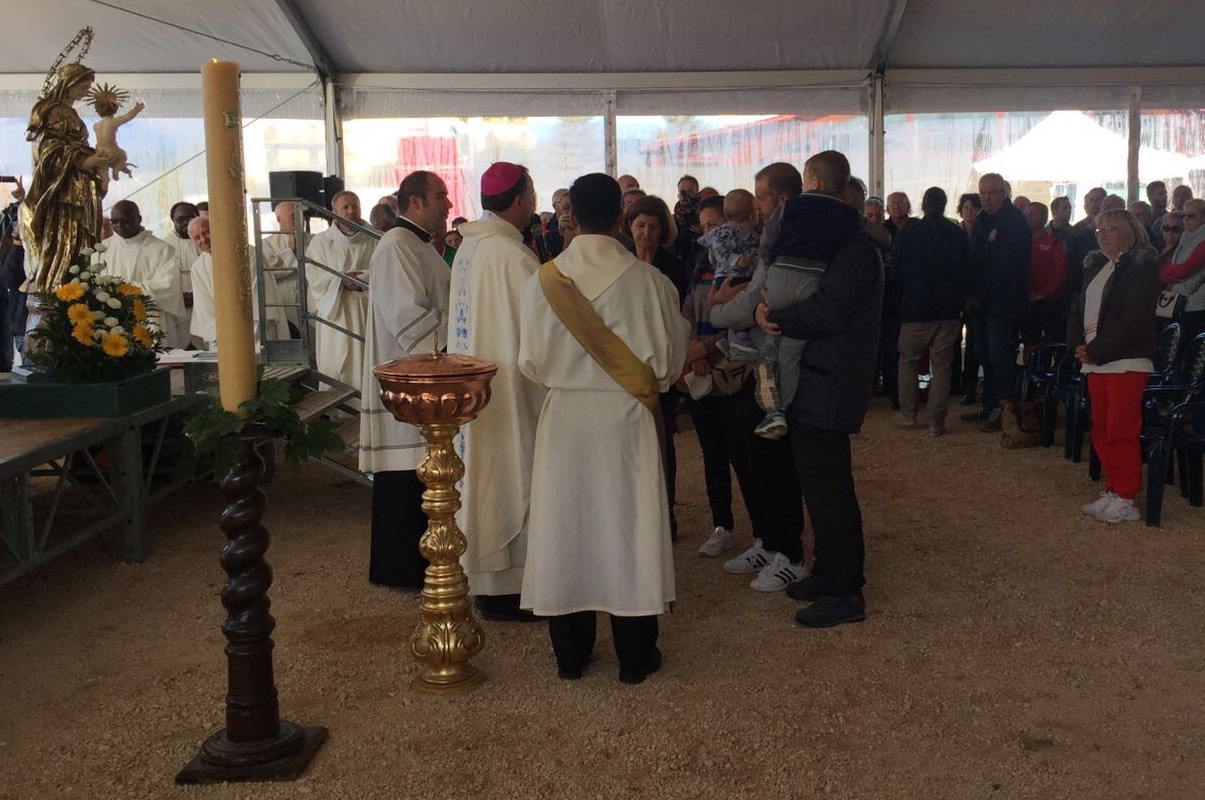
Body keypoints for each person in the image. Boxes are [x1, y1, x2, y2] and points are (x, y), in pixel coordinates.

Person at [518, 172, 688, 684]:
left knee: (566, 528)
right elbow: (668, 366)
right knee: (628, 527)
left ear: (570, 217)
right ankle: (635, 657)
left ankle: (570, 656)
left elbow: (529, 362)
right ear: (620, 217)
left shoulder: (541, 282)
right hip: (625, 418)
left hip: (565, 418)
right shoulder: (650, 283)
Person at [755, 151, 883, 628]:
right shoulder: (843, 245)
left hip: (831, 383)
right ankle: (829, 572)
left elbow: (828, 312)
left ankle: (846, 592)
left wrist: (777, 318)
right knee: (818, 483)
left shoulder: (856, 250)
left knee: (830, 489)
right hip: (818, 379)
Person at [447, 163, 546, 622]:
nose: (534, 201)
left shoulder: (468, 249)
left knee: (484, 478)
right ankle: (513, 589)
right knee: (513, 472)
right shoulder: (513, 256)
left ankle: (487, 584)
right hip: (511, 389)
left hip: (475, 391)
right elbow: (541, 328)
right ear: (520, 200)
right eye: (532, 193)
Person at [708, 162, 807, 593]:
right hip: (753, 367)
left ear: (781, 199)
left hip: (775, 371)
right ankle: (767, 541)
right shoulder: (772, 240)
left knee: (775, 465)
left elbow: (752, 302)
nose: (756, 207)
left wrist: (715, 310)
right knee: (753, 462)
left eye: (760, 198)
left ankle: (791, 554)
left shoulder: (788, 241)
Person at [358, 171, 451, 589]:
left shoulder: (418, 244)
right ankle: (402, 569)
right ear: (414, 202)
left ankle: (416, 563)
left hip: (422, 376)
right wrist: (459, 336)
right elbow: (408, 319)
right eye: (440, 196)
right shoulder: (397, 245)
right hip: (409, 377)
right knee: (404, 473)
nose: (448, 204)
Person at [1068, 210, 1161, 524]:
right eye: (1099, 230)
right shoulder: (1097, 266)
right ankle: (1113, 488)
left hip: (1126, 359)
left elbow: (1135, 319)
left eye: (1111, 229)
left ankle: (1127, 497)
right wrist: (1076, 345)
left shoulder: (1141, 267)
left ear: (1129, 232)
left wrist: (1096, 350)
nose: (1103, 235)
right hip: (1096, 360)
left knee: (1122, 429)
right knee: (1102, 428)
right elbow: (1078, 306)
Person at [22, 63, 111, 292]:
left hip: (81, 185)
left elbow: (78, 144)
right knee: (64, 236)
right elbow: (48, 148)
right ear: (68, 84)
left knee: (80, 240)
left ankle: (77, 286)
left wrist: (98, 163)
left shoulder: (71, 112)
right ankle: (58, 286)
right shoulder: (51, 110)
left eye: (88, 87)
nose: (85, 91)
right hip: (64, 189)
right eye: (82, 86)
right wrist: (84, 161)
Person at [891, 187, 969, 436]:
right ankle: (936, 422)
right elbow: (966, 270)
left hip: (916, 308)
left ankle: (908, 414)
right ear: (945, 205)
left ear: (923, 205)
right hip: (948, 310)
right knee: (942, 366)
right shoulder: (956, 233)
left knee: (908, 361)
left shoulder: (909, 232)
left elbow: (896, 271)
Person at [961, 172, 1030, 432]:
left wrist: (980, 294)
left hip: (1002, 302)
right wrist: (970, 293)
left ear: (1004, 193)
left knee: (998, 355)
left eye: (991, 193)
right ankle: (988, 405)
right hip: (980, 302)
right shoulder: (981, 219)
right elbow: (973, 259)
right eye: (982, 193)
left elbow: (1006, 267)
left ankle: (1005, 409)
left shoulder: (1014, 221)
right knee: (982, 354)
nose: (986, 198)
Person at [307, 190, 375, 391]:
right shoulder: (321, 242)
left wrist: (362, 279)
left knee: (364, 361)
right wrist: (340, 280)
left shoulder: (375, 238)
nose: (351, 211)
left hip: (364, 309)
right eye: (345, 207)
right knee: (336, 363)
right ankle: (336, 407)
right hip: (335, 312)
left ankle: (366, 404)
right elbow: (314, 274)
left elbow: (385, 269)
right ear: (334, 211)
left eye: (355, 206)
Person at [186, 216, 286, 349]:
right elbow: (204, 308)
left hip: (256, 332)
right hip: (221, 339)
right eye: (197, 237)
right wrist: (221, 338)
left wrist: (242, 335)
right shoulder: (198, 267)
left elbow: (256, 297)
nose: (203, 240)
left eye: (206, 232)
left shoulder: (248, 253)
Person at [99, 200, 187, 347]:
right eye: (114, 221)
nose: (119, 225)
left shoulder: (163, 249)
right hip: (112, 320)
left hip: (152, 320)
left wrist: (123, 289)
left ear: (139, 219)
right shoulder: (103, 248)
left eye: (125, 220)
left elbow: (166, 287)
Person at [1158, 198, 1205, 343]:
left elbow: (1184, 270)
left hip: (1197, 306)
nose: (1186, 219)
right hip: (1181, 302)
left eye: (1191, 216)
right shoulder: (1186, 237)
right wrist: (1171, 272)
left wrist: (1169, 272)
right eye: (1184, 215)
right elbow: (1174, 269)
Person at [1022, 201, 1067, 346]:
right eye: (1027, 214)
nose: (1028, 217)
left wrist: (1042, 294)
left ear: (1044, 217)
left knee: (1049, 341)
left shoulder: (1054, 242)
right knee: (1028, 339)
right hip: (1023, 299)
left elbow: (1059, 272)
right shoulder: (1020, 240)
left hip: (1047, 302)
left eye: (1033, 214)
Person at [87, 84, 143, 193]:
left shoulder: (96, 125)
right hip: (112, 150)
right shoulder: (113, 122)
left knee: (102, 168)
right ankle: (115, 171)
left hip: (98, 152)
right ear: (115, 107)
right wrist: (137, 109)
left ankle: (105, 180)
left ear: (98, 110)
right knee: (123, 155)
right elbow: (128, 116)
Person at [167, 201, 200, 345]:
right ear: (173, 220)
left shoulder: (206, 241)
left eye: (190, 218)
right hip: (177, 306)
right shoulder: (164, 246)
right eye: (180, 220)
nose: (186, 223)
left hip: (202, 304)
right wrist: (179, 297)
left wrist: (197, 295)